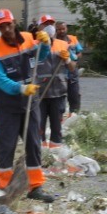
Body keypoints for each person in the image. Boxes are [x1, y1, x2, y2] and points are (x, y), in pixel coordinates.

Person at [0, 8, 57, 214]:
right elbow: (0, 80)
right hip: (8, 105)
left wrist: (45, 43)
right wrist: (20, 88)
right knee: (6, 147)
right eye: (1, 27)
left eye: (8, 24)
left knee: (33, 144)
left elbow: (41, 57)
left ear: (14, 22)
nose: (6, 29)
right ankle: (3, 188)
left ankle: (36, 187)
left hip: (29, 104)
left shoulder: (27, 38)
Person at [31, 14, 71, 148]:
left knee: (57, 128)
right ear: (39, 28)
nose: (49, 27)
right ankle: (40, 153)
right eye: (45, 24)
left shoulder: (63, 44)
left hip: (58, 93)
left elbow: (72, 68)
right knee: (38, 126)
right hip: (40, 94)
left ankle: (55, 154)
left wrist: (68, 59)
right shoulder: (33, 46)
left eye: (51, 24)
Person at [55, 20, 84, 118]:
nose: (61, 31)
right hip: (59, 74)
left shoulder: (73, 39)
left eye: (63, 29)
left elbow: (79, 53)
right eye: (59, 29)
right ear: (56, 30)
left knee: (74, 96)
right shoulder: (54, 41)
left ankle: (74, 116)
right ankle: (59, 118)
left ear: (66, 28)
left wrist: (75, 57)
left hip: (72, 73)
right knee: (59, 98)